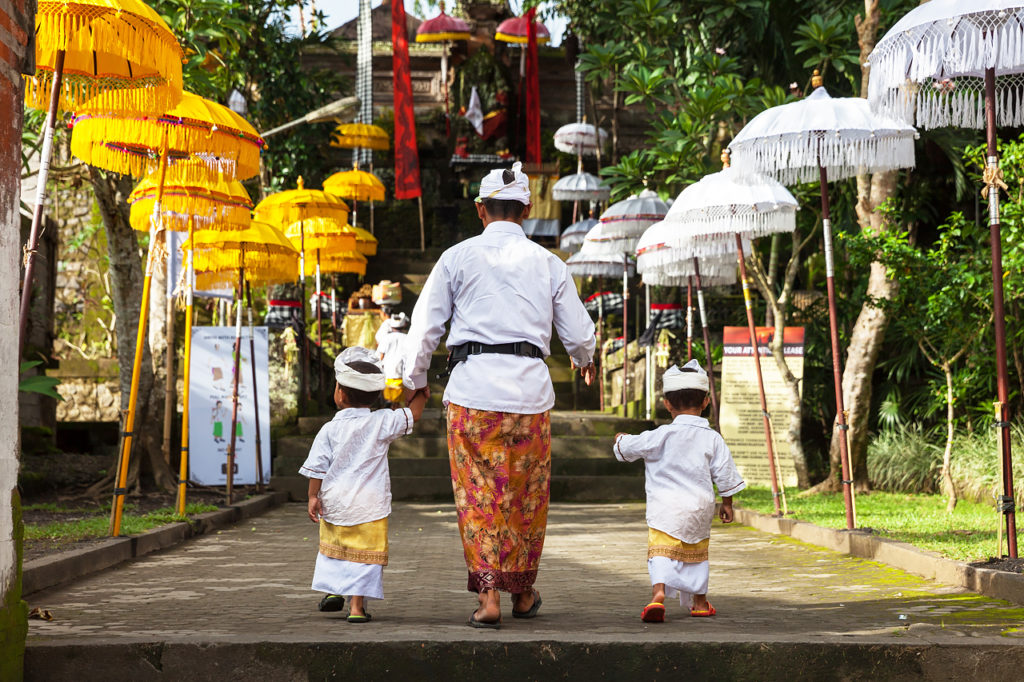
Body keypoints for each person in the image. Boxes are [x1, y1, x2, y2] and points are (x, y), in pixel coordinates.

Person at [403, 161, 597, 629]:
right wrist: (583, 356)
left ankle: (490, 597)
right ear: (526, 211)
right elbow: (579, 334)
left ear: (480, 210)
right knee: (526, 495)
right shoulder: (549, 263)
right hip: (530, 394)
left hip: (473, 393)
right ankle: (524, 593)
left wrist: (415, 379)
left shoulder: (457, 257)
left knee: (480, 497)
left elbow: (424, 326)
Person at [299, 347, 429, 622]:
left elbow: (317, 468)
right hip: (370, 504)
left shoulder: (329, 429)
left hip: (335, 500)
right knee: (364, 555)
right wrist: (421, 394)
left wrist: (313, 497)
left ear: (340, 394)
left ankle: (334, 589)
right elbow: (413, 416)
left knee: (335, 548)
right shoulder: (381, 421)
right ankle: (357, 608)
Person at [612, 359, 745, 622]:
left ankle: (658, 594)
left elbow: (627, 448)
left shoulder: (659, 435)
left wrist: (620, 438)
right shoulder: (713, 438)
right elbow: (725, 473)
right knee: (696, 552)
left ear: (667, 404)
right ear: (706, 402)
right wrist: (727, 503)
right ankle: (699, 602)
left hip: (665, 508)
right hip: (699, 507)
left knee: (661, 551)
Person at [377, 313, 410, 406]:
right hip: (402, 373)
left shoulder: (386, 338)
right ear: (404, 325)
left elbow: (381, 355)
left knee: (389, 399)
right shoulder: (407, 338)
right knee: (398, 401)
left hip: (388, 372)